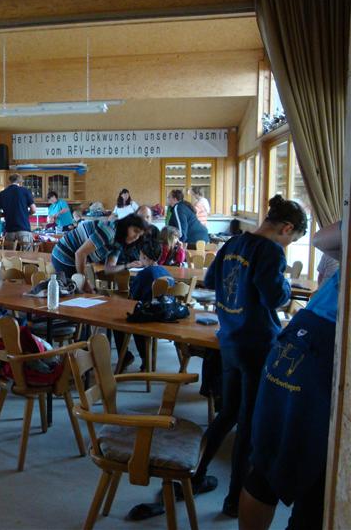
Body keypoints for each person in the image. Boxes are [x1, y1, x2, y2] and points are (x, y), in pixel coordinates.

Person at [189, 195, 308, 518]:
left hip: (229, 341)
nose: (288, 245)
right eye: (292, 239)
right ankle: (233, 499)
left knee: (227, 412)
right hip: (257, 344)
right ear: (286, 228)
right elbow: (275, 298)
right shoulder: (270, 251)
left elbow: (211, 280)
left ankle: (196, 476)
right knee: (248, 424)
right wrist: (286, 284)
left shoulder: (234, 243)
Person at [239, 220, 341, 530]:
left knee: (278, 460)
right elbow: (322, 239)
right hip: (321, 343)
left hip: (304, 335)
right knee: (302, 467)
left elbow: (323, 239)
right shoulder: (267, 250)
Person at [115, 239, 174, 371]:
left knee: (118, 322)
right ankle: (146, 359)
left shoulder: (144, 274)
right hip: (166, 316)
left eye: (141, 255)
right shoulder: (167, 273)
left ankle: (126, 357)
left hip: (150, 317)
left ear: (145, 257)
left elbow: (133, 298)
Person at [50, 214, 146, 288]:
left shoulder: (119, 242)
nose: (136, 237)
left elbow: (109, 268)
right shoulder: (110, 231)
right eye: (135, 231)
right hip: (64, 256)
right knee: (76, 291)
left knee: (92, 288)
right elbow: (80, 254)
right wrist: (84, 281)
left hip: (81, 260)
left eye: (139, 235)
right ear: (126, 226)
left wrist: (128, 265)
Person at [0, 173, 36, 251]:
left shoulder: (1, 194)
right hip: (24, 230)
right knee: (27, 256)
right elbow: (33, 210)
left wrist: (6, 214)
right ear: (20, 181)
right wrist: (25, 214)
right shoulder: (25, 191)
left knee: (10, 257)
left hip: (9, 231)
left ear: (9, 181)